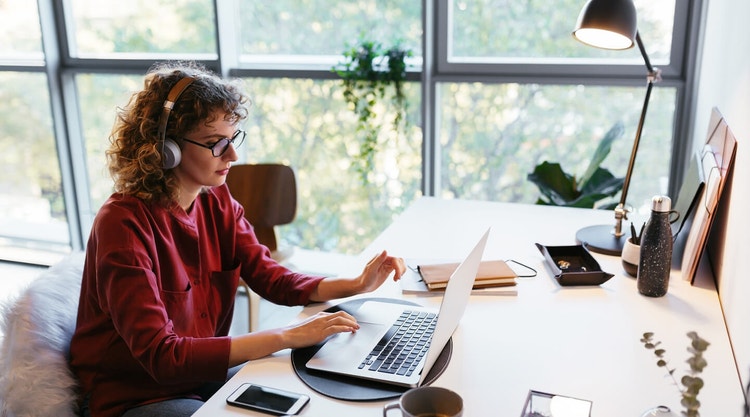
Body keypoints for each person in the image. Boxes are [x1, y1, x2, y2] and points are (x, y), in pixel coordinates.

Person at [69, 61, 406, 417]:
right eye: (215, 144)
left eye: (233, 139)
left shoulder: (216, 199)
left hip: (195, 376)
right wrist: (286, 336)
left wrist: (355, 283)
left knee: (304, 389)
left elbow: (270, 277)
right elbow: (162, 357)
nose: (233, 155)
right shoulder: (122, 224)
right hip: (133, 395)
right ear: (165, 148)